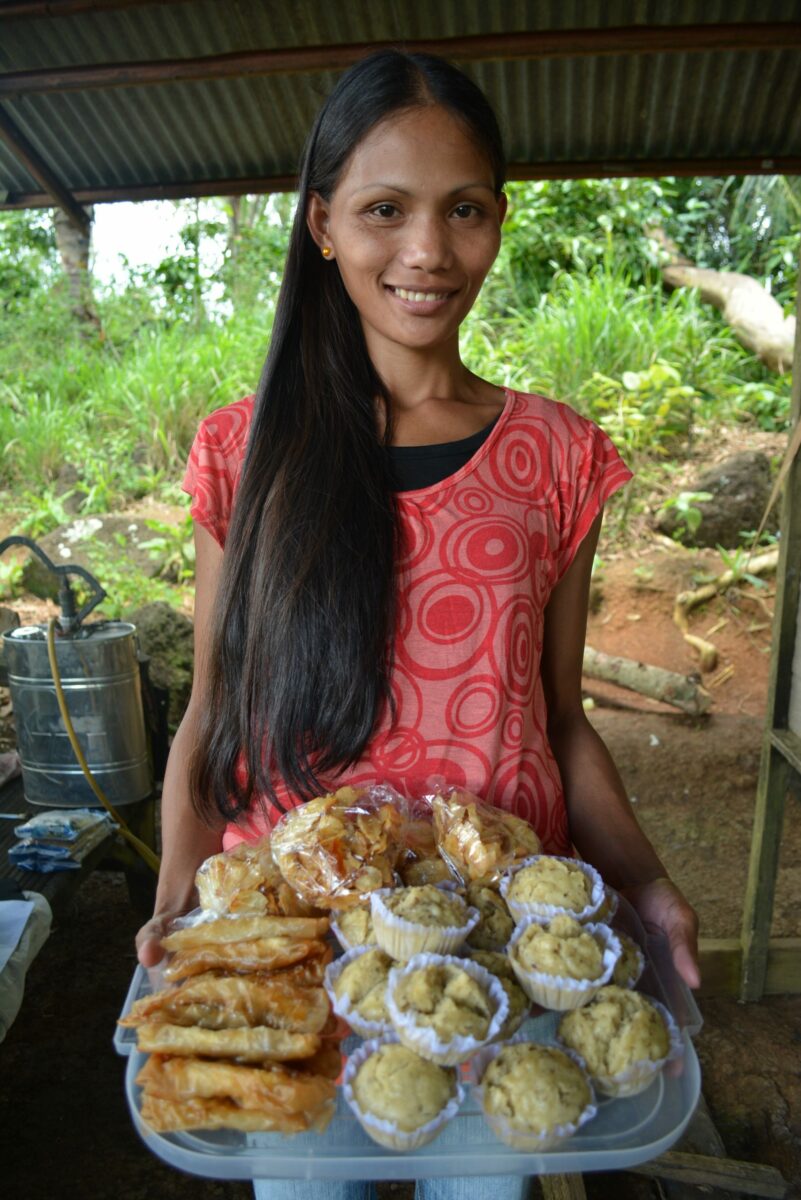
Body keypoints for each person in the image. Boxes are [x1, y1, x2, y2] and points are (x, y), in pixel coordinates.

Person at [136, 49, 699, 1199]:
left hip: (485, 953)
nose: (430, 251)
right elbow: (212, 710)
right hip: (298, 944)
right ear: (323, 226)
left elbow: (561, 723)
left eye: (466, 210)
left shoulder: (558, 457)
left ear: (499, 220)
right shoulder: (243, 455)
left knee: (482, 1180)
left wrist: (644, 886)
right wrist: (176, 904)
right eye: (385, 210)